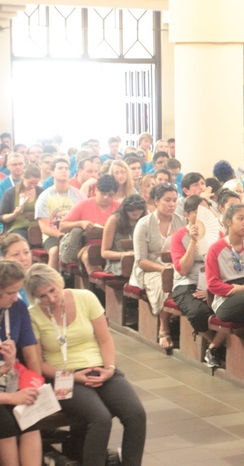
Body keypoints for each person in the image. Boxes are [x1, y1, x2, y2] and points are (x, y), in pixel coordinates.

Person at [27, 263, 146, 466]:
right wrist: (73, 376)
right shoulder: (33, 314)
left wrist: (109, 369)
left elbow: (105, 340)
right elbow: (39, 363)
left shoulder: (85, 297)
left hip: (98, 367)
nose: (51, 299)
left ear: (58, 282)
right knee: (100, 418)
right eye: (42, 296)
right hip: (62, 376)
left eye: (52, 291)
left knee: (136, 414)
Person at [171, 195, 225, 367]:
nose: (202, 214)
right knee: (198, 312)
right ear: (187, 214)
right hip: (188, 283)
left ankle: (214, 347)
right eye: (197, 211)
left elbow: (225, 263)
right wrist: (193, 242)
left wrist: (211, 287)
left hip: (214, 283)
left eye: (205, 210)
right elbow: (183, 269)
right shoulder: (179, 236)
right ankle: (217, 342)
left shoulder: (219, 234)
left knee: (231, 310)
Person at [130, 182, 185, 348]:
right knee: (164, 281)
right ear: (156, 201)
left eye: (175, 200)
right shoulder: (144, 224)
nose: (172, 204)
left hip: (177, 267)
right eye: (167, 200)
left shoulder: (181, 222)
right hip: (150, 268)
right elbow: (141, 260)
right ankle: (164, 328)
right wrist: (163, 269)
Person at [205, 203, 244, 367]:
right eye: (240, 219)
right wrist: (235, 290)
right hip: (225, 302)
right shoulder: (215, 249)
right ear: (228, 222)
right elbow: (212, 284)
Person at [0, 260, 42, 466]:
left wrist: (38, 385)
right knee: (6, 423)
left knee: (31, 417)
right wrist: (11, 397)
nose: (16, 297)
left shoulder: (16, 308)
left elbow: (30, 349)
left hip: (7, 378)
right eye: (10, 292)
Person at [59, 175, 121, 273]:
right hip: (88, 247)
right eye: (103, 193)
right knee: (88, 257)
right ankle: (99, 283)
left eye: (110, 195)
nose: (106, 197)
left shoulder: (120, 208)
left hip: (113, 246)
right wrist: (81, 223)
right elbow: (62, 226)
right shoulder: (83, 205)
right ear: (96, 190)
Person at [34, 158, 85, 270]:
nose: (64, 171)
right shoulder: (44, 197)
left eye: (66, 168)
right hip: (54, 236)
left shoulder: (79, 195)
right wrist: (62, 236)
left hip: (76, 234)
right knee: (55, 251)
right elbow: (45, 228)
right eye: (60, 168)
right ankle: (51, 283)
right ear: (52, 172)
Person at [100, 194, 145, 277]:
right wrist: (123, 255)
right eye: (134, 214)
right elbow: (104, 253)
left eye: (140, 214)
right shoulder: (114, 220)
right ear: (125, 212)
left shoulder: (143, 219)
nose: (137, 217)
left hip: (138, 260)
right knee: (136, 268)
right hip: (117, 263)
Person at [0, 164, 41, 239]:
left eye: (36, 183)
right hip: (17, 227)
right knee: (20, 238)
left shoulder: (40, 191)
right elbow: (1, 217)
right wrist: (14, 214)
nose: (33, 186)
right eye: (30, 183)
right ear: (23, 177)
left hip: (38, 227)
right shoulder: (10, 193)